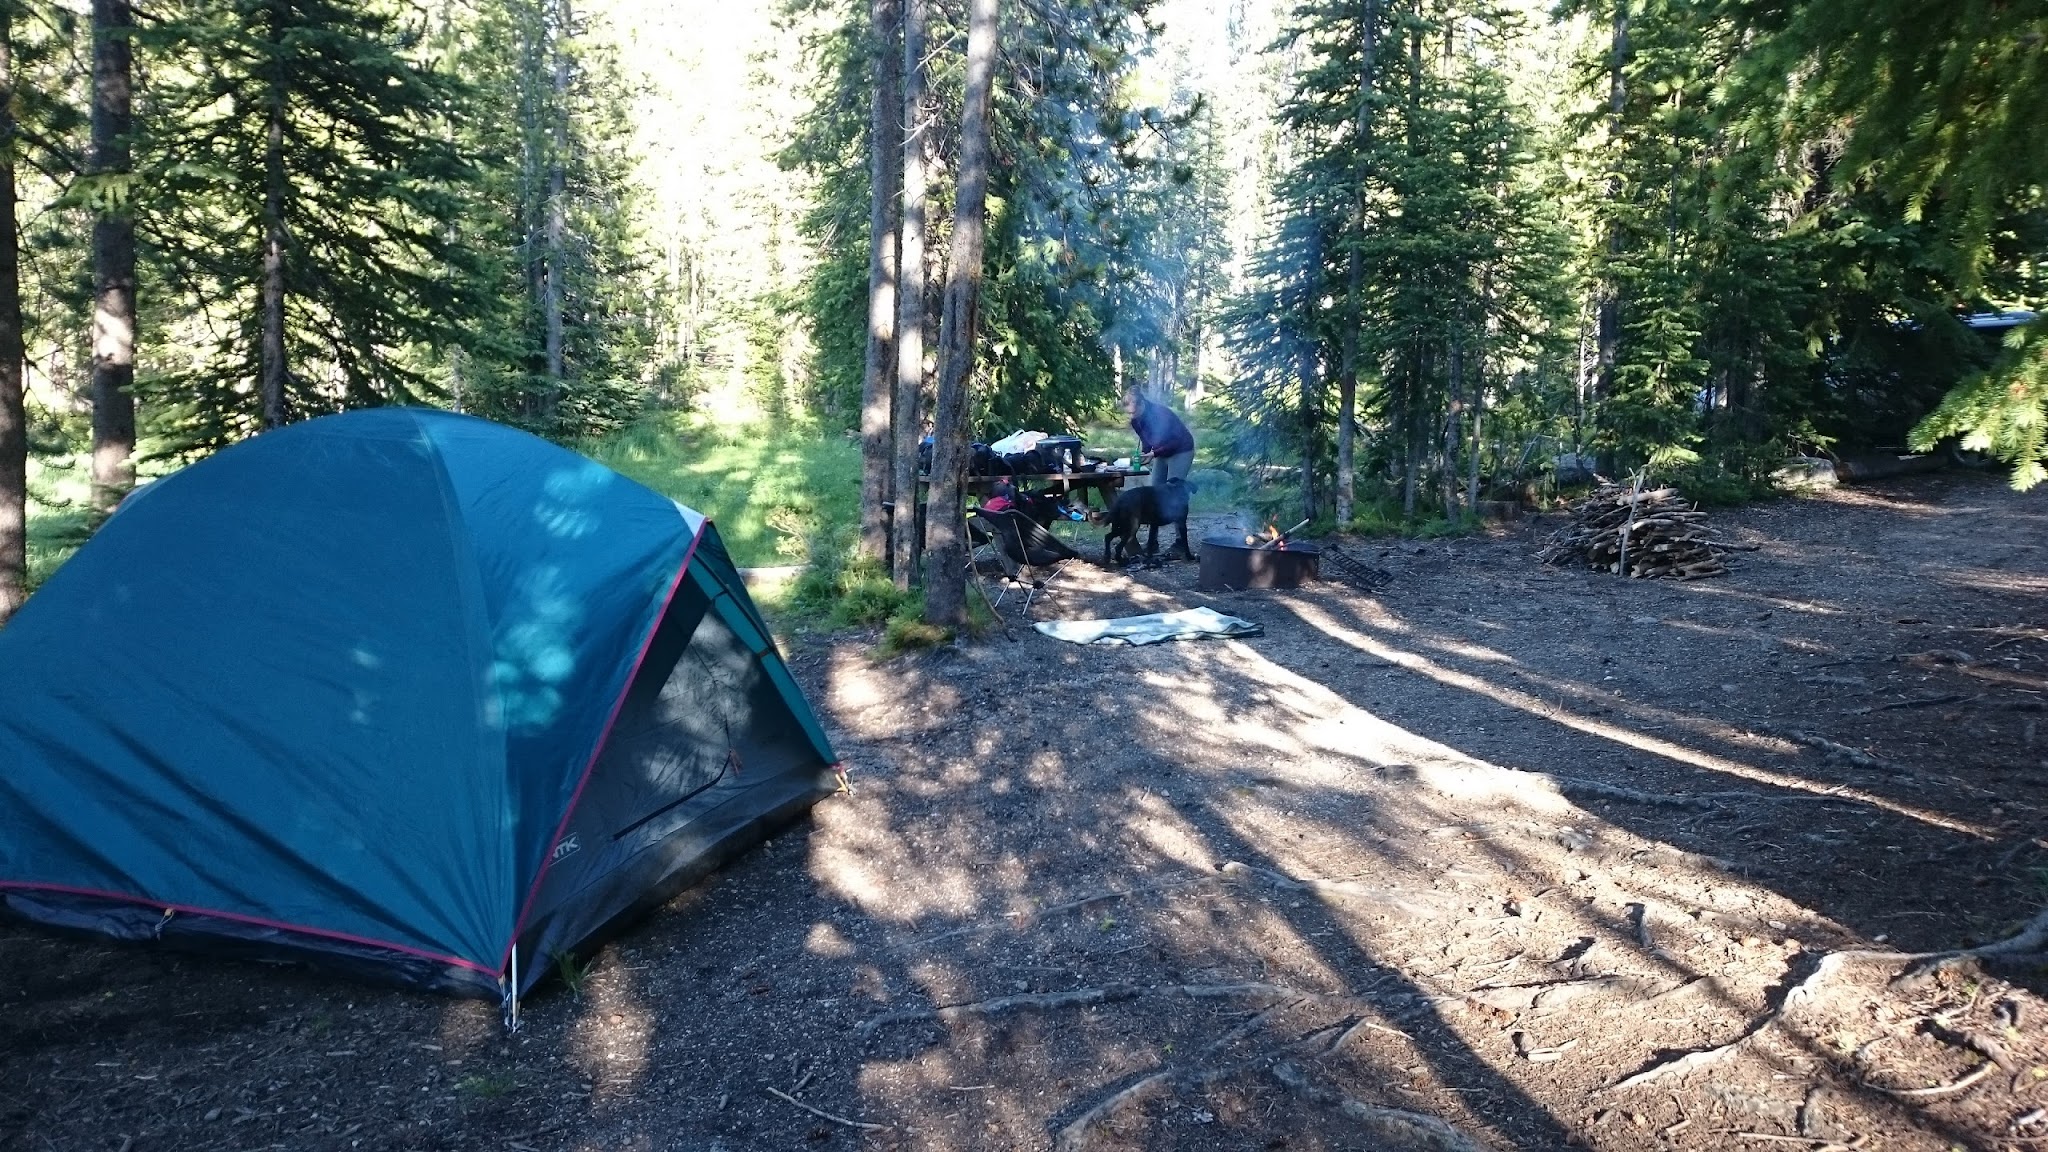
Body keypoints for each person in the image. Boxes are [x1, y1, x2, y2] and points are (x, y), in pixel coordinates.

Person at [1121, 388, 1195, 487]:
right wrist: (1145, 454)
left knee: (1173, 488)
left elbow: (1175, 441)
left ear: (1142, 404)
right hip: (1162, 452)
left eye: (1133, 412)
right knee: (1156, 488)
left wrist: (1154, 453)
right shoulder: (1135, 420)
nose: (1131, 416)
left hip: (1181, 450)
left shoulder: (1160, 413)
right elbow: (1145, 439)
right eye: (1129, 413)